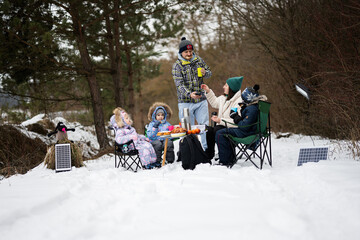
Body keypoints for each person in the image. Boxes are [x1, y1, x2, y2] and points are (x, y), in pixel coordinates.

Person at [172, 37, 211, 150]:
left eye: (190, 51)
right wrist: (189, 94)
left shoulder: (199, 60)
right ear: (181, 52)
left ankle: (205, 150)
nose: (189, 54)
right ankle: (190, 150)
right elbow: (179, 85)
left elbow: (209, 72)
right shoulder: (177, 66)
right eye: (186, 52)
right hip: (185, 102)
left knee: (204, 126)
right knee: (187, 128)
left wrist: (205, 72)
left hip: (201, 100)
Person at [215, 85, 268, 166]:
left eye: (243, 98)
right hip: (253, 131)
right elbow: (247, 121)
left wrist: (235, 116)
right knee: (223, 132)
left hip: (247, 133)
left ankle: (225, 161)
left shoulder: (252, 109)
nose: (242, 99)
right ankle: (230, 158)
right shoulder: (254, 106)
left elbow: (244, 127)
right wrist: (243, 108)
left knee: (220, 133)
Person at [201, 76, 244, 159]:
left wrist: (220, 120)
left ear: (231, 88)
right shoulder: (223, 98)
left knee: (217, 129)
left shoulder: (238, 102)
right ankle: (209, 155)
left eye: (226, 85)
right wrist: (208, 91)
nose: (223, 87)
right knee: (208, 130)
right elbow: (214, 103)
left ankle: (224, 156)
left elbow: (236, 122)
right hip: (222, 126)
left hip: (233, 129)